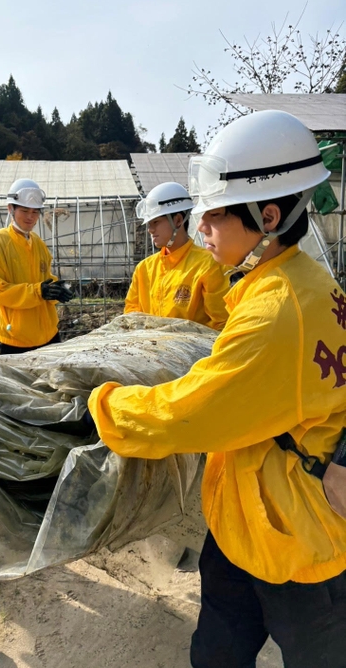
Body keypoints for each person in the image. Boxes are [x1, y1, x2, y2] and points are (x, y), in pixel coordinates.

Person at [87, 110, 346, 667]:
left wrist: (102, 404)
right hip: (246, 521)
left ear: (268, 215)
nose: (199, 227)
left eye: (213, 215)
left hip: (295, 543)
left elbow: (187, 415)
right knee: (218, 649)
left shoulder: (276, 313)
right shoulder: (305, 282)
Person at [0, 178, 72, 355]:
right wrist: (38, 292)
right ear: (10, 209)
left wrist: (58, 289)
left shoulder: (38, 243)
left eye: (35, 212)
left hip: (49, 335)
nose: (30, 217)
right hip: (15, 340)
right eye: (24, 210)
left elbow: (45, 280)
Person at [125, 182, 229, 330]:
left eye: (156, 222)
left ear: (178, 220)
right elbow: (131, 316)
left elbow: (220, 322)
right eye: (149, 224)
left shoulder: (209, 264)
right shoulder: (144, 269)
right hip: (149, 350)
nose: (150, 230)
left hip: (193, 352)